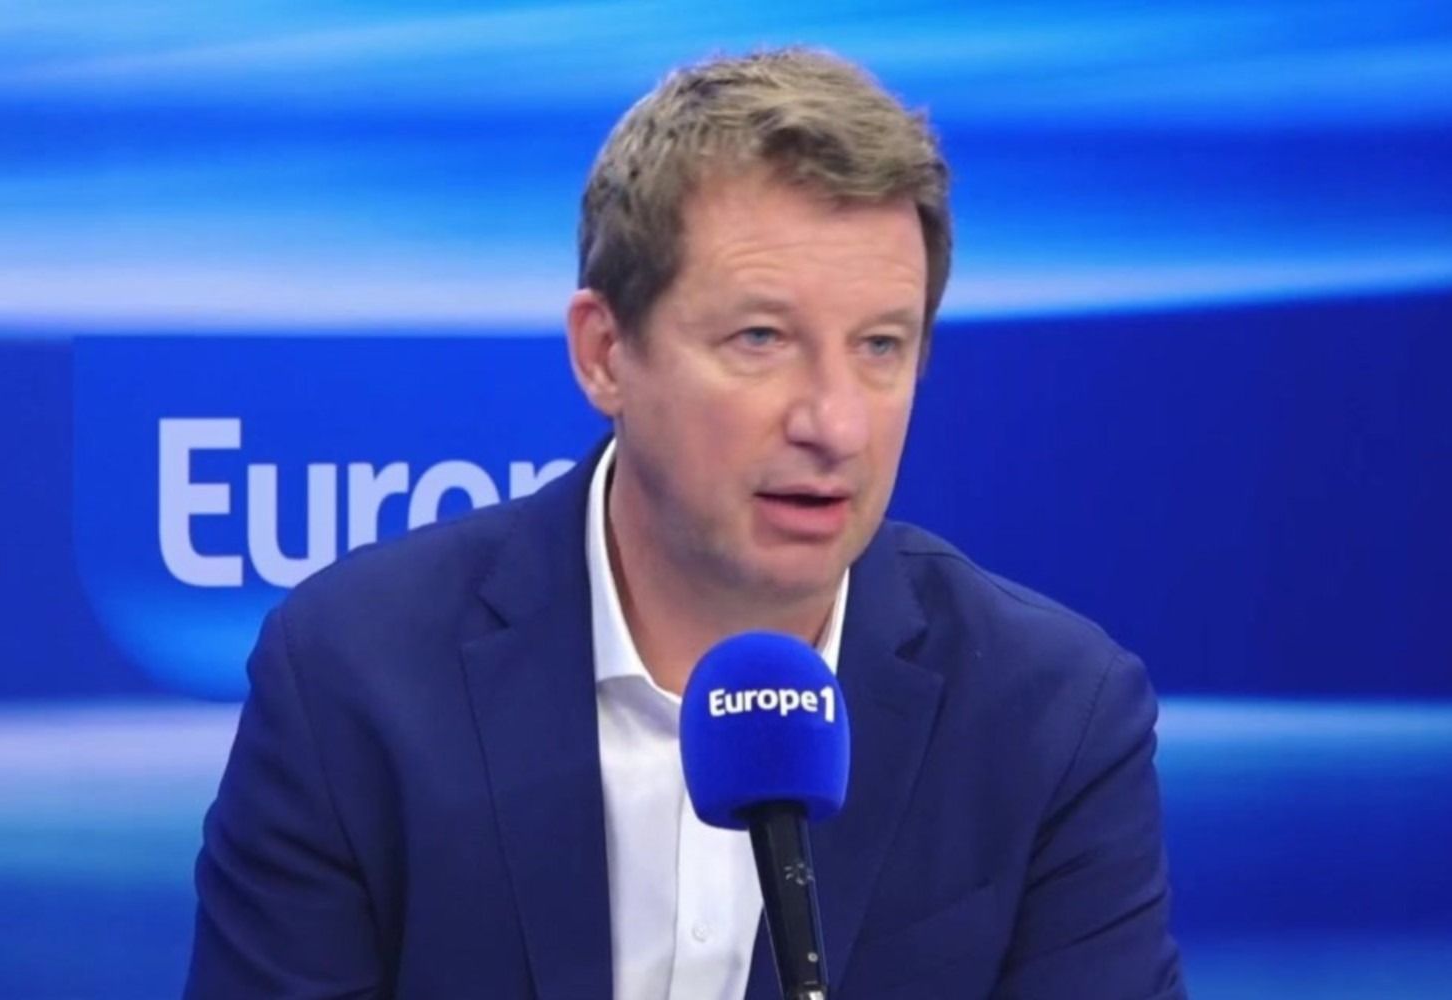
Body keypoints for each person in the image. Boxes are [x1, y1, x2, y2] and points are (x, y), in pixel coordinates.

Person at [187, 48, 1184, 999]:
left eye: (880, 346)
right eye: (761, 338)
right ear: (604, 353)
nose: (835, 424)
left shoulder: (1049, 717)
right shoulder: (355, 678)